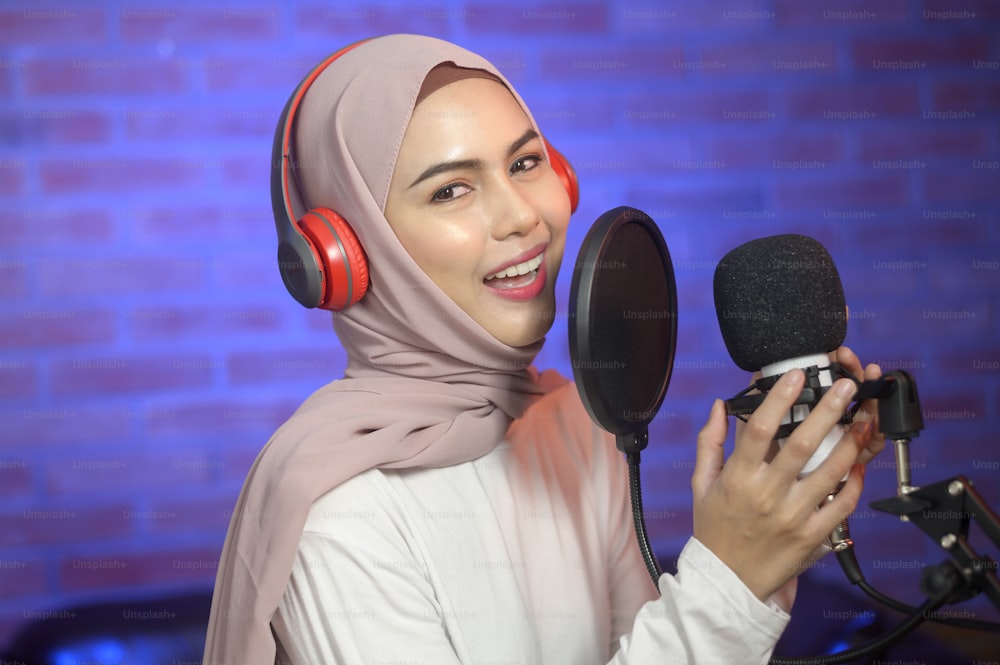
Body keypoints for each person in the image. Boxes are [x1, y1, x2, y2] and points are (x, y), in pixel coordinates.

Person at [203, 34, 885, 665]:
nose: (523, 216)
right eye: (451, 189)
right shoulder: (339, 517)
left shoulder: (576, 425)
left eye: (526, 162)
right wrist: (725, 577)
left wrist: (773, 528)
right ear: (344, 255)